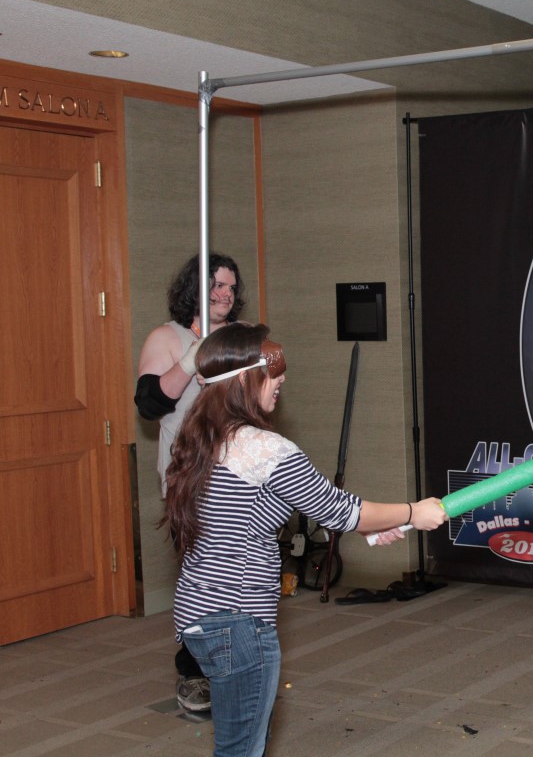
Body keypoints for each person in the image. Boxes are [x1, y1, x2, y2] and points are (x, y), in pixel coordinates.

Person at [162, 323, 448, 757]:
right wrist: (414, 512)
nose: (281, 379)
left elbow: (272, 507)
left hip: (199, 613)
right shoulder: (264, 448)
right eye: (272, 370)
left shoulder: (203, 437)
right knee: (242, 749)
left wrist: (369, 526)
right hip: (238, 621)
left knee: (240, 742)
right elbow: (340, 510)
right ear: (244, 379)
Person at [135, 252, 246, 713]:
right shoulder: (166, 337)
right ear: (194, 288)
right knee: (201, 576)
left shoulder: (239, 335)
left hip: (237, 474)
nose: (224, 294)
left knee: (240, 574)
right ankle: (194, 670)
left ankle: (236, 661)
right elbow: (149, 403)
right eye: (216, 285)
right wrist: (191, 357)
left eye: (231, 287)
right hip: (189, 477)